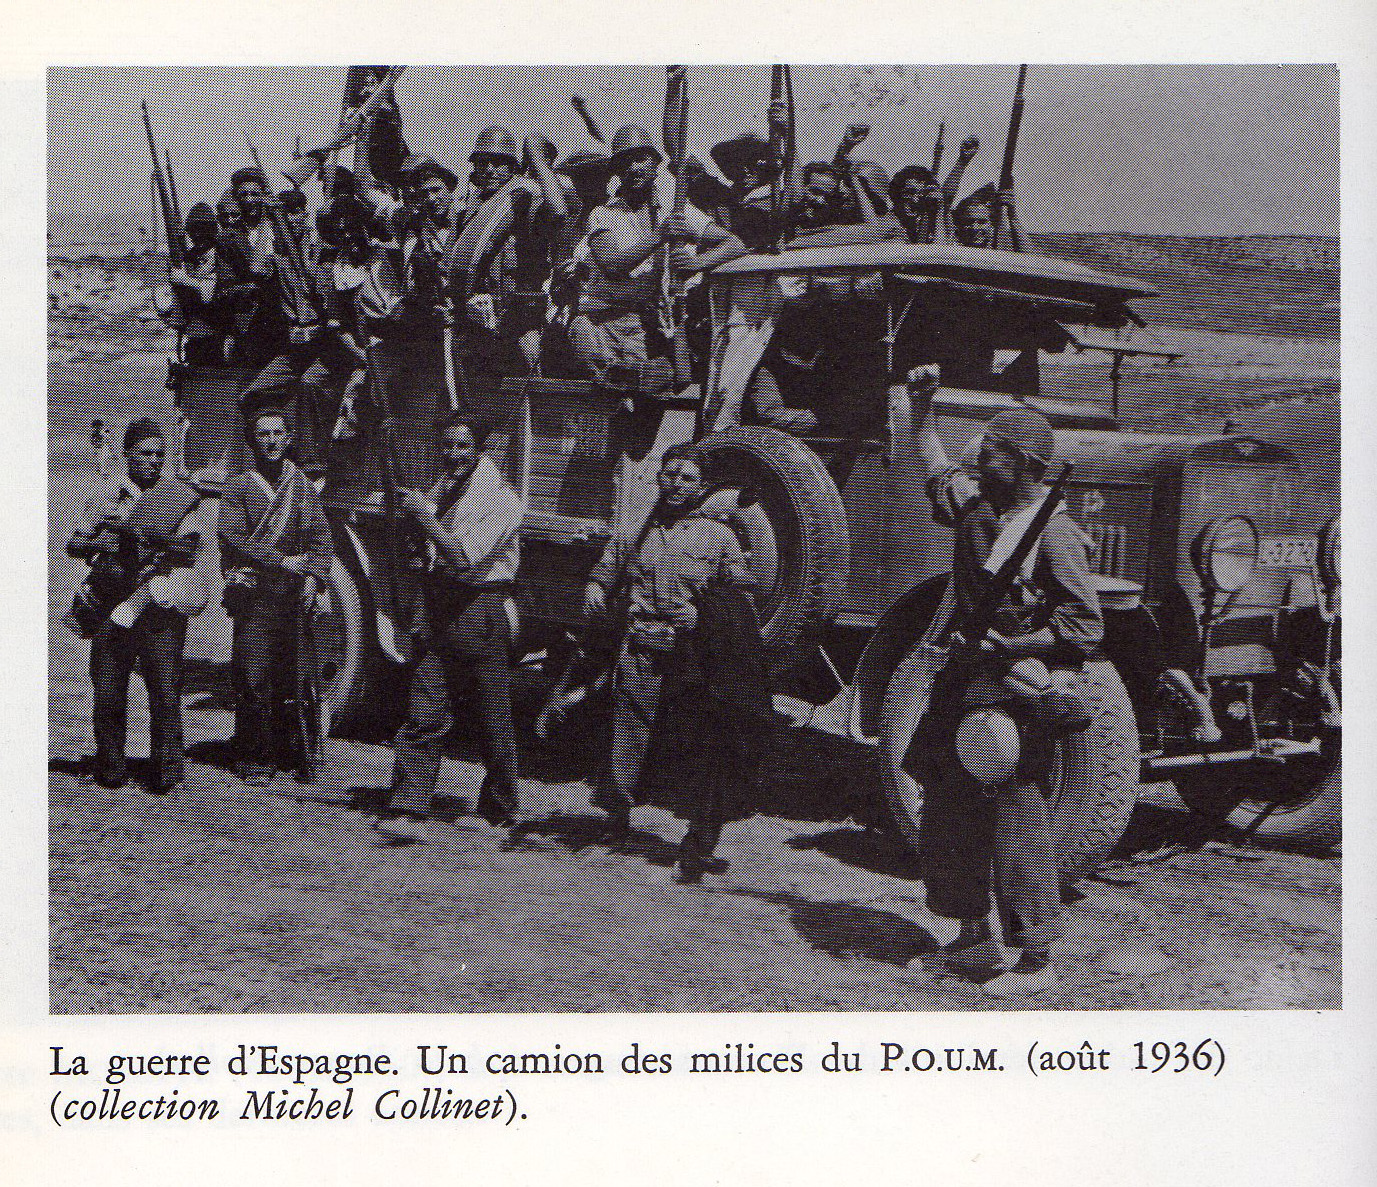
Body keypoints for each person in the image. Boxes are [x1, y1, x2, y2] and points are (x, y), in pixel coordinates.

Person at [908, 370, 1103, 996]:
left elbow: (1084, 625)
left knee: (1019, 817)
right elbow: (936, 466)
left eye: (990, 451)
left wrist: (1011, 646)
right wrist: (921, 408)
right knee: (948, 807)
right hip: (962, 684)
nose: (977, 458)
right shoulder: (977, 512)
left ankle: (1034, 950)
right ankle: (972, 934)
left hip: (1014, 695)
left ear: (1021, 466)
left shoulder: (1055, 534)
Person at [582, 444, 755, 841]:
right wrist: (595, 585)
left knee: (692, 739)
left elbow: (741, 601)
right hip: (641, 644)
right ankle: (616, 820)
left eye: (687, 478)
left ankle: (698, 836)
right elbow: (610, 563)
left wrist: (703, 617)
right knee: (629, 731)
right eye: (669, 475)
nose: (676, 484)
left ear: (703, 487)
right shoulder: (638, 528)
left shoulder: (720, 538)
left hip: (689, 652)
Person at [373, 413, 525, 842]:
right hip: (440, 606)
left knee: (491, 715)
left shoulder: (501, 500)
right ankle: (408, 805)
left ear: (480, 450)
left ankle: (499, 808)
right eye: (447, 445)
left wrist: (424, 518)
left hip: (480, 610)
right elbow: (435, 552)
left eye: (463, 446)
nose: (453, 454)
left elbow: (462, 557)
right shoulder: (445, 486)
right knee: (425, 709)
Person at [65, 419, 207, 794]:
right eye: (146, 454)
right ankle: (111, 767)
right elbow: (74, 543)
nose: (154, 461)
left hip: (159, 604)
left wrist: (136, 531)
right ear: (128, 455)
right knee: (108, 689)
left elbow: (188, 548)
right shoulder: (106, 495)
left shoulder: (179, 496)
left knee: (165, 690)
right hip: (112, 604)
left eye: (160, 454)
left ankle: (166, 771)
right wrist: (99, 542)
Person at [569, 125, 746, 387]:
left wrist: (696, 263)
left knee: (650, 387)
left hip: (650, 324)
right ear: (617, 171)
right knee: (596, 357)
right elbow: (613, 266)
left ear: (655, 164)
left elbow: (734, 244)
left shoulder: (676, 211)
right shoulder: (603, 215)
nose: (633, 168)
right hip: (605, 322)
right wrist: (659, 236)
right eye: (625, 162)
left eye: (641, 159)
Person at [218, 407, 333, 786]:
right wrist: (283, 560)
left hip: (293, 596)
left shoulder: (301, 485)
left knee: (295, 677)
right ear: (252, 441)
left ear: (288, 438)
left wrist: (314, 578)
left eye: (278, 433)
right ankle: (255, 757)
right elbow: (234, 537)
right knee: (253, 677)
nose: (271, 441)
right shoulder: (238, 485)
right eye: (263, 434)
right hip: (255, 596)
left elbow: (321, 538)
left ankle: (293, 752)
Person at [168, 202, 225, 366]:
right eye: (194, 230)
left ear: (213, 230)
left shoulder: (221, 254)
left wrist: (184, 279)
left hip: (219, 334)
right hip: (195, 336)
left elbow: (208, 294)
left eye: (204, 229)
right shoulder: (190, 258)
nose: (198, 235)